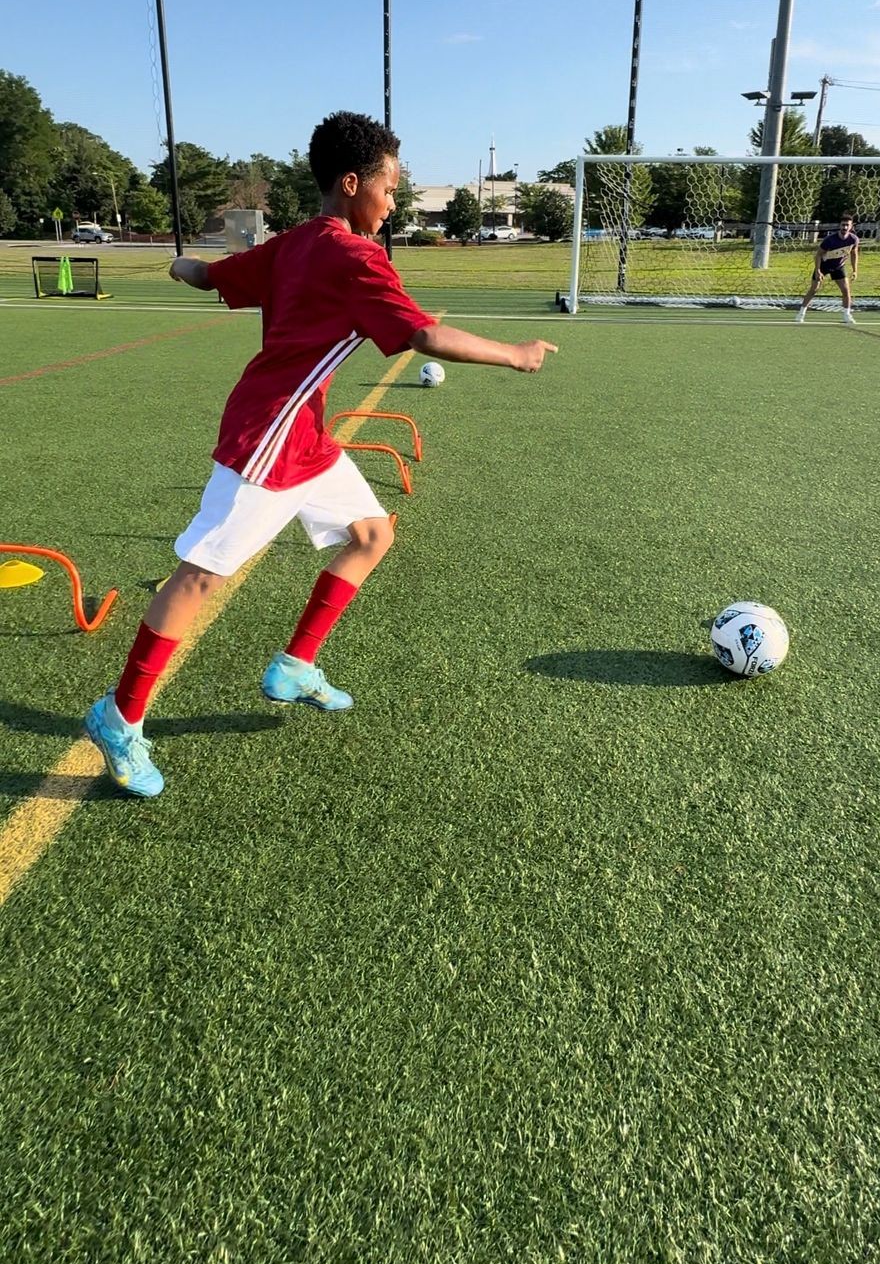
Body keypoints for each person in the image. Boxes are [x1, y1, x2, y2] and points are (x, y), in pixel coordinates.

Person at [84, 111, 558, 798]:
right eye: (390, 189)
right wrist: (515, 355)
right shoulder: (354, 256)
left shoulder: (295, 243)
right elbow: (422, 336)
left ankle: (295, 665)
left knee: (370, 535)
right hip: (269, 436)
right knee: (200, 578)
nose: (393, 204)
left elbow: (212, 276)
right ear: (351, 183)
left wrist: (182, 263)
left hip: (304, 434)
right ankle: (118, 715)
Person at [795, 210, 859, 324]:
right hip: (824, 265)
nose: (844, 227)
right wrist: (818, 271)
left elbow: (854, 254)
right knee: (814, 289)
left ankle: (847, 315)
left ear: (851, 226)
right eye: (843, 225)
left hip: (838, 266)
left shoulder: (853, 239)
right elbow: (818, 255)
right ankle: (801, 313)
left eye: (847, 225)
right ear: (839, 226)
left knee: (846, 290)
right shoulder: (830, 240)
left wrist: (855, 270)